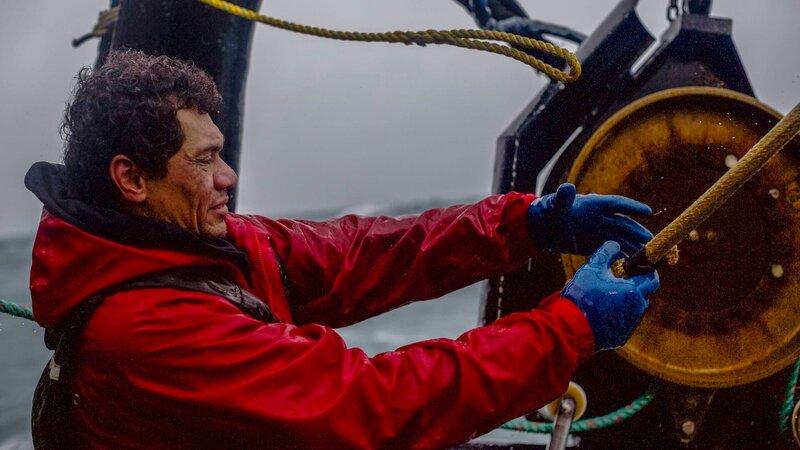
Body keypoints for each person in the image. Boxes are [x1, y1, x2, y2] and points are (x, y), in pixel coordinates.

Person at [25, 50, 659, 449]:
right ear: (131, 179)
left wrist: (524, 226)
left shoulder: (193, 246)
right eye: (204, 160)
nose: (228, 178)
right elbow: (370, 409)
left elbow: (360, 254)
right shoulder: (146, 332)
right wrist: (567, 330)